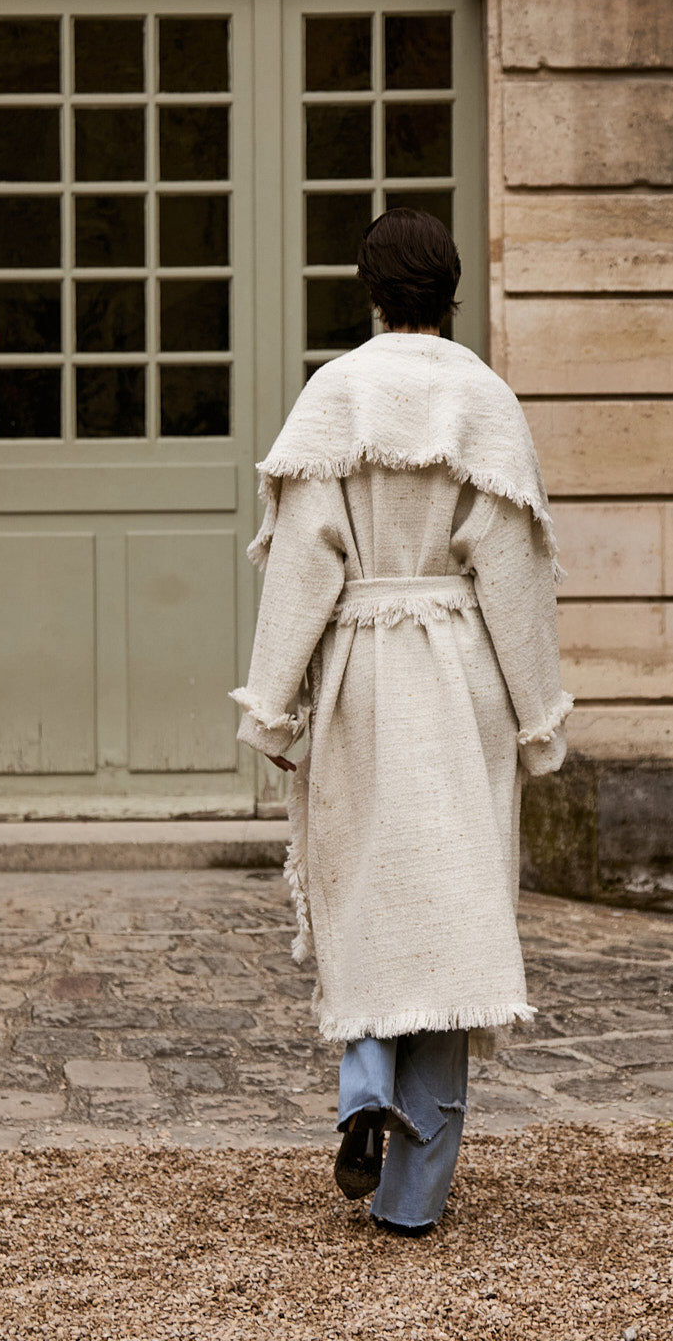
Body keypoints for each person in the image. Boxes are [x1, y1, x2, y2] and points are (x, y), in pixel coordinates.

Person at [230, 207, 572, 1236]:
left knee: (366, 884)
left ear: (371, 292)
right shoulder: (485, 400)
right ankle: (413, 1198)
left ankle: (362, 1086)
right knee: (452, 907)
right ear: (451, 292)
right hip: (461, 671)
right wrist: (538, 717)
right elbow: (512, 571)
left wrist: (272, 704)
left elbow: (304, 558)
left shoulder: (334, 396)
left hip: (361, 669)